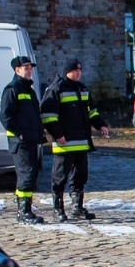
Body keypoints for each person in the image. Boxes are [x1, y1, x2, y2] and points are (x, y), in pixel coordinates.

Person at [39, 59, 109, 222]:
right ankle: (58, 209)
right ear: (66, 71)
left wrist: (101, 125)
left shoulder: (82, 89)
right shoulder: (56, 89)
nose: (79, 73)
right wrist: (58, 134)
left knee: (80, 176)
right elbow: (48, 116)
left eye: (80, 70)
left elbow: (92, 112)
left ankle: (77, 207)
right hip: (65, 144)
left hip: (81, 143)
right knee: (60, 178)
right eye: (75, 70)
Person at [0, 55, 48, 224]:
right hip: (20, 142)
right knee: (26, 175)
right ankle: (23, 212)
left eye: (30, 68)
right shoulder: (12, 89)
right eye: (26, 68)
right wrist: (19, 133)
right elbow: (5, 116)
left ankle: (24, 208)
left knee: (31, 175)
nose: (29, 71)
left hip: (31, 140)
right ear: (17, 70)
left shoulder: (29, 90)